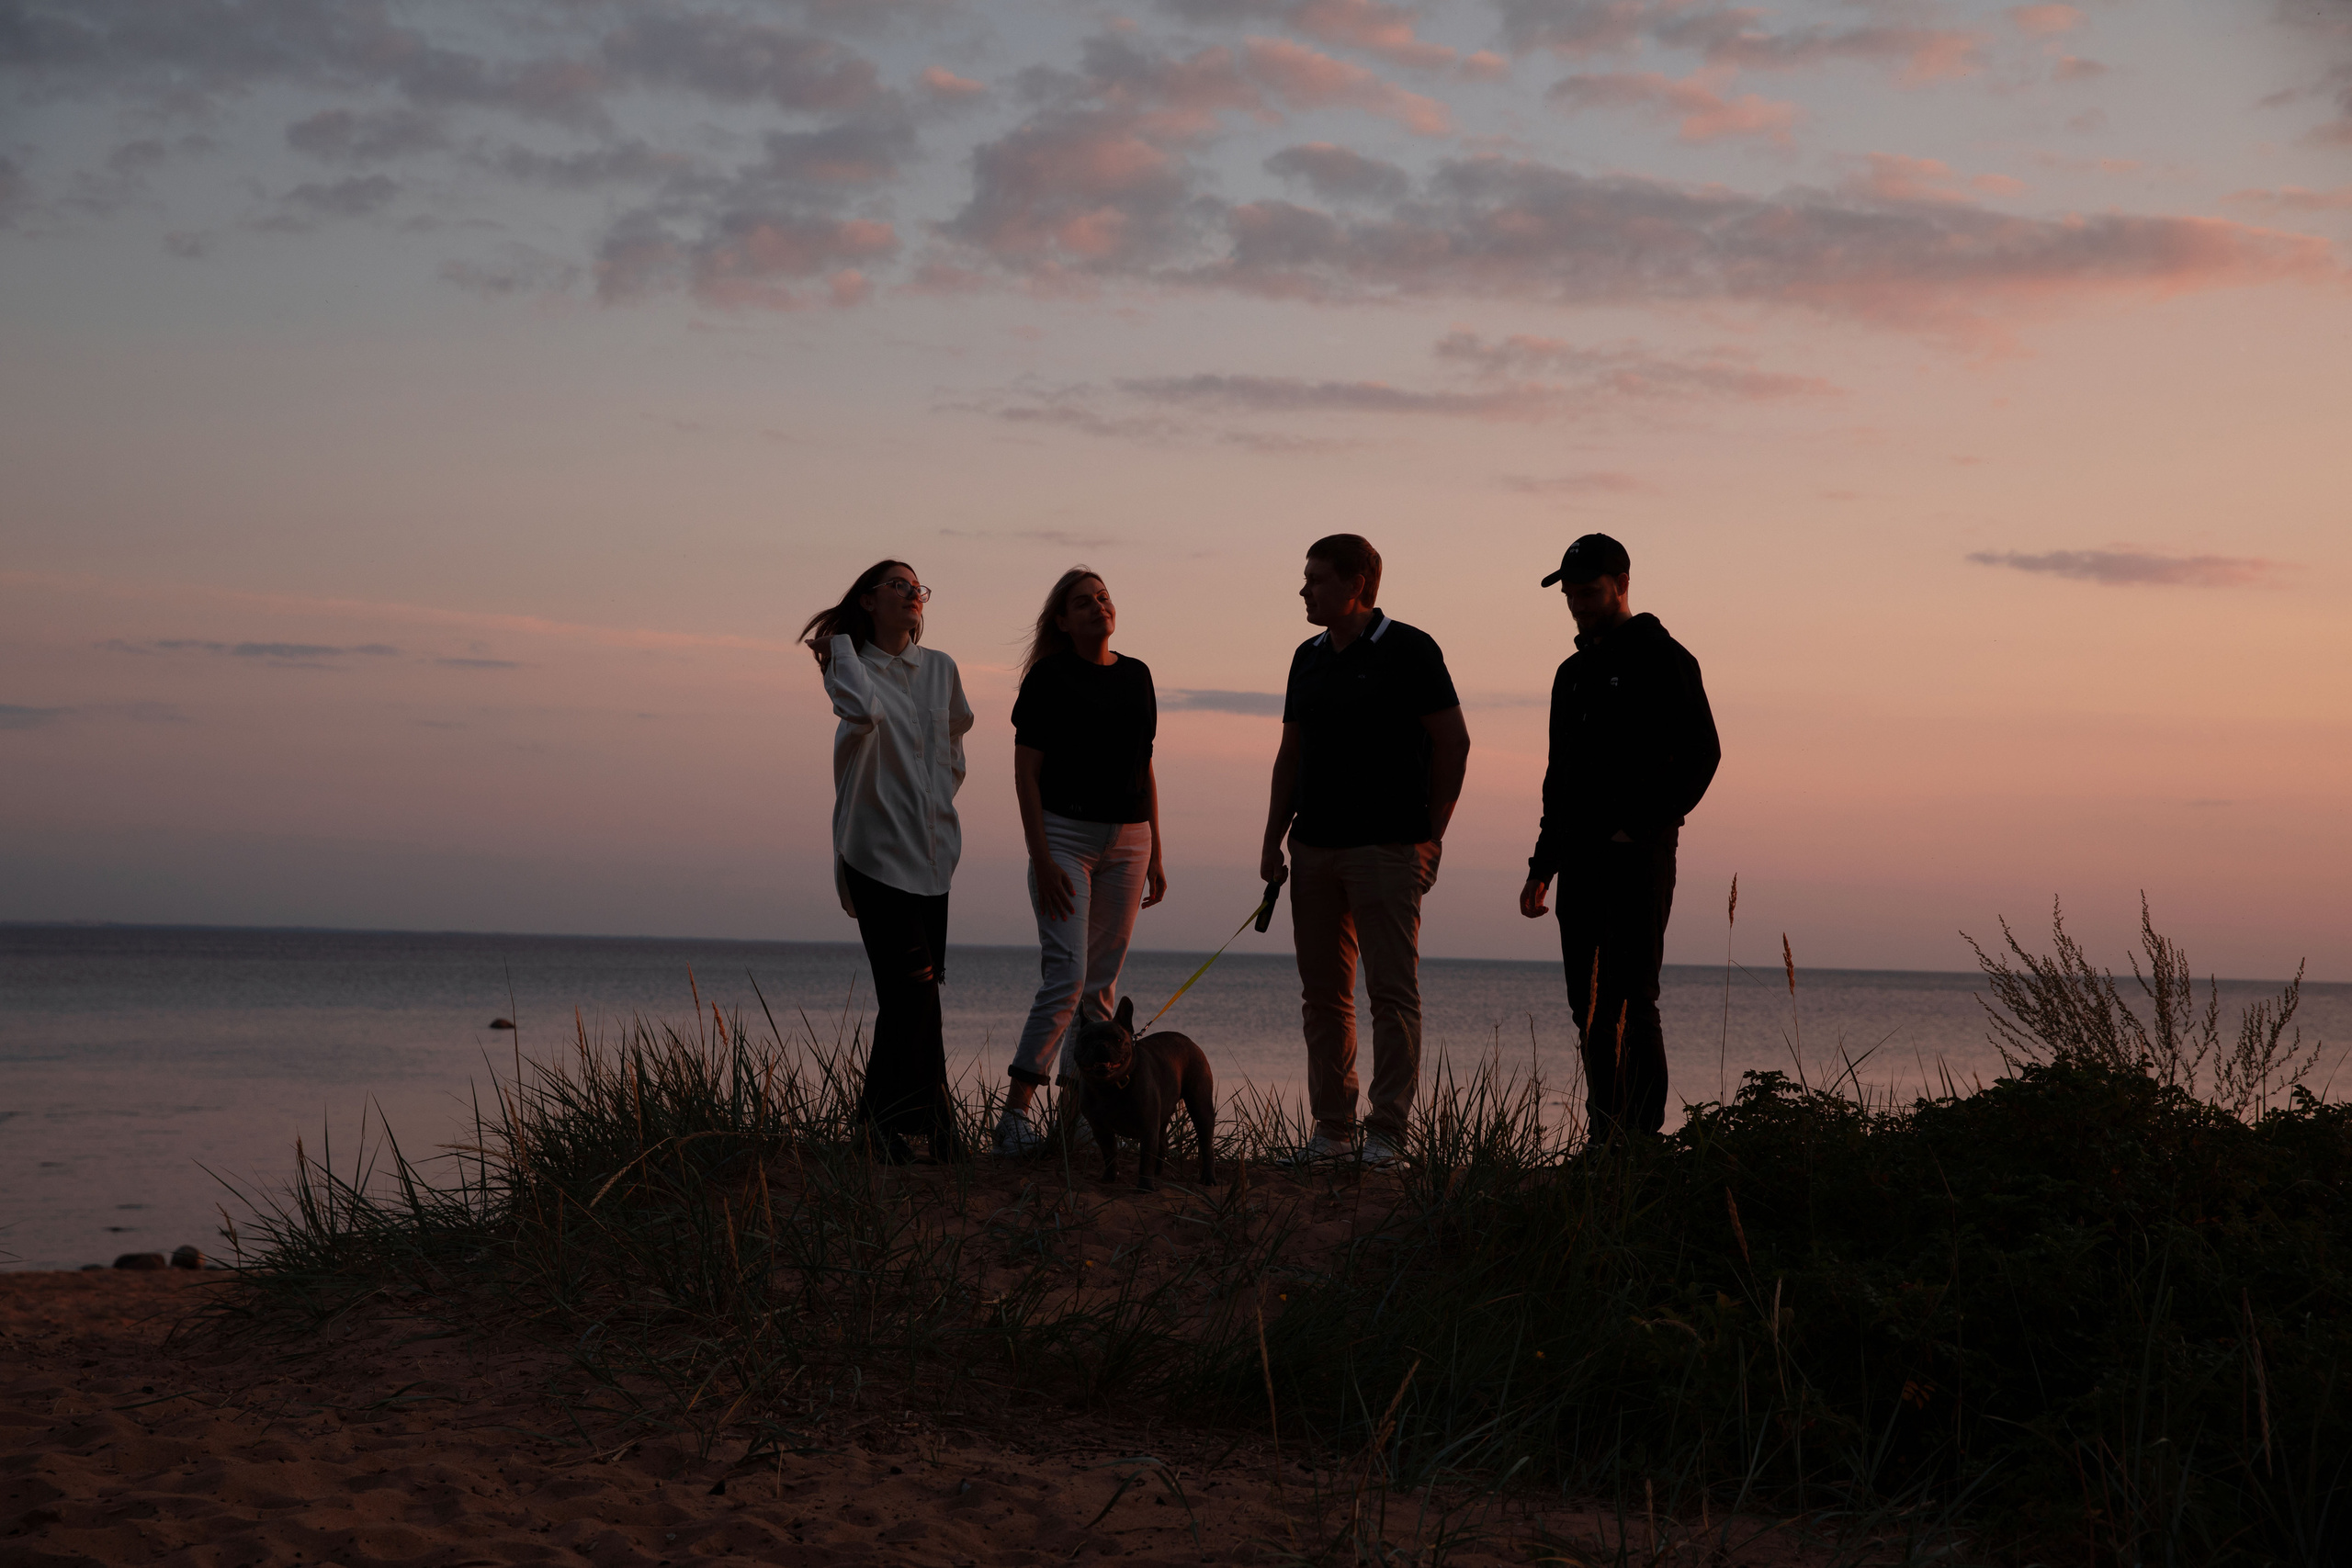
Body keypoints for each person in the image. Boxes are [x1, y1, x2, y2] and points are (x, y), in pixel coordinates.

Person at [1259, 535, 1469, 1167]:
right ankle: (1331, 1131)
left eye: (1316, 579)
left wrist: (1431, 833)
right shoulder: (1308, 657)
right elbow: (1291, 753)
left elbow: (1453, 743)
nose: (1304, 590)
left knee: (1391, 992)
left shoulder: (1410, 649)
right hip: (1315, 847)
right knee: (1323, 994)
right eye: (1306, 578)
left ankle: (1387, 1134)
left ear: (1358, 584)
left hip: (1387, 846)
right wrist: (1272, 838)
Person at [1518, 534, 1720, 1140]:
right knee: (1589, 1004)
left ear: (1621, 586)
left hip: (1639, 858)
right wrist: (1541, 865)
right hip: (1578, 858)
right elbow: (1561, 776)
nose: (1579, 603)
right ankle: (1605, 1135)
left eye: (1590, 591)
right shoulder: (1572, 675)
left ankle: (1639, 1139)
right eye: (1572, 593)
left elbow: (1703, 754)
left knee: (1633, 997)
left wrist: (1643, 824)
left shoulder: (1663, 657)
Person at [802, 559, 975, 1164]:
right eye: (898, 585)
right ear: (869, 600)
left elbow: (954, 746)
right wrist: (840, 649)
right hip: (873, 855)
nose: (913, 594)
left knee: (911, 1000)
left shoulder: (942, 669)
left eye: (918, 587)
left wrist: (935, 802)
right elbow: (865, 712)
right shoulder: (851, 669)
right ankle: (922, 1127)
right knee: (915, 994)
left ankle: (883, 1125)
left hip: (931, 857)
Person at [996, 570, 1167, 1155]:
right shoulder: (1049, 678)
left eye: (1103, 597)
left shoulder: (1138, 675)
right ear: (1062, 621)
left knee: (1100, 989)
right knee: (1066, 978)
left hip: (1130, 841)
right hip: (1063, 837)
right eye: (1082, 602)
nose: (1098, 607)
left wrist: (1157, 852)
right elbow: (1026, 772)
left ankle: (1078, 1123)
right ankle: (1015, 1118)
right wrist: (1039, 855)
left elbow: (1143, 768)